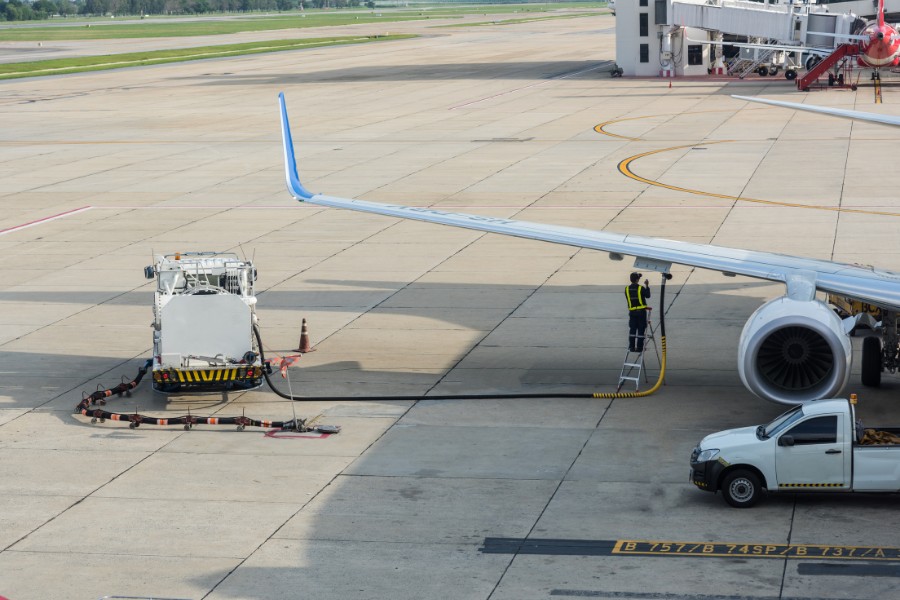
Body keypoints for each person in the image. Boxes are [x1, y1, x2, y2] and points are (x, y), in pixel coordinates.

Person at [625, 272, 651, 352]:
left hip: (632, 312)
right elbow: (648, 295)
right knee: (641, 329)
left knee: (632, 329)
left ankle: (632, 347)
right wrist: (647, 286)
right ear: (637, 279)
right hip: (641, 313)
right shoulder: (641, 288)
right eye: (638, 278)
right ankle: (639, 348)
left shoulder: (627, 289)